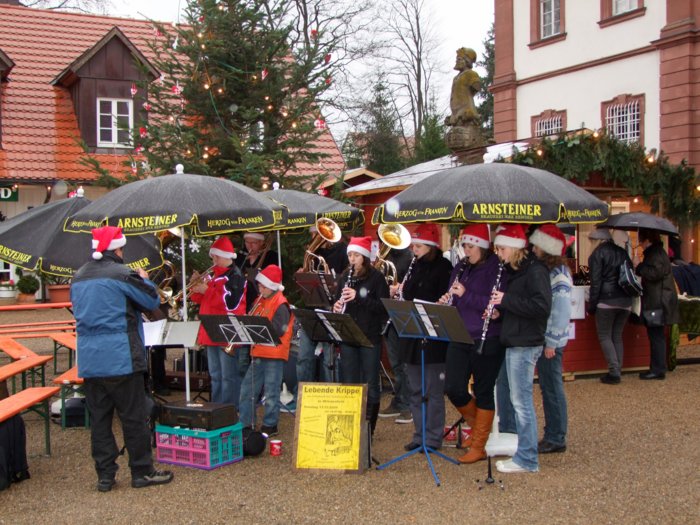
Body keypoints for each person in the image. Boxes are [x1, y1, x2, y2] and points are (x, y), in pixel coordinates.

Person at [71, 226, 173, 492]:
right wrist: (145, 279)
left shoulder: (78, 276)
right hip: (121, 356)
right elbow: (150, 301)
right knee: (133, 416)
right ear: (117, 248)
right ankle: (142, 472)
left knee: (100, 421)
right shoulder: (122, 273)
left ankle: (105, 476)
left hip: (91, 359)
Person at [439, 223, 506, 463]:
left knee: (483, 390)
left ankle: (478, 445)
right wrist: (447, 301)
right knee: (453, 387)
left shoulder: (496, 269)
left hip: (487, 336)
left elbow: (493, 306)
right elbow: (455, 297)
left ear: (483, 246)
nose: (466, 251)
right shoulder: (461, 267)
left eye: (471, 246)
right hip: (460, 333)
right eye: (464, 246)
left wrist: (464, 294)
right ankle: (479, 430)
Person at [489, 224, 551, 474]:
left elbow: (541, 307)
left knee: (521, 401)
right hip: (515, 339)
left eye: (502, 248)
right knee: (516, 398)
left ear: (515, 248)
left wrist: (506, 300)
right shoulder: (515, 270)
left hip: (525, 343)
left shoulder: (535, 271)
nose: (499, 254)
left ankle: (527, 458)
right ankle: (522, 451)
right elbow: (519, 307)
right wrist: (498, 312)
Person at [396, 224, 453, 452]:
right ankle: (419, 435)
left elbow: (444, 300)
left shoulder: (444, 267)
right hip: (412, 334)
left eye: (418, 246)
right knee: (415, 389)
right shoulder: (414, 266)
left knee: (432, 390)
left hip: (434, 335)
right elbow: (408, 293)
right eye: (413, 245)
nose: (414, 249)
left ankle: (432, 437)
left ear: (430, 246)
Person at [332, 236, 389, 438]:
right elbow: (337, 301)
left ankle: (368, 430)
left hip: (369, 336)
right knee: (350, 383)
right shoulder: (345, 276)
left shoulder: (376, 278)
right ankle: (351, 428)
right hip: (349, 335)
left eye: (356, 255)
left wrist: (359, 297)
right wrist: (336, 306)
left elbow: (384, 308)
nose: (352, 259)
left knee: (371, 383)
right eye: (350, 255)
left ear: (364, 256)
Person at [529, 224, 572, 454]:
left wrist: (552, 342)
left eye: (537, 244)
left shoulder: (558, 275)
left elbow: (562, 311)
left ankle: (556, 436)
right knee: (548, 386)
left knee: (552, 387)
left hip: (551, 342)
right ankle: (553, 433)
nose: (533, 248)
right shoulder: (549, 271)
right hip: (547, 339)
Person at [189, 236, 247, 406]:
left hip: (226, 331)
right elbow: (198, 299)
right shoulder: (213, 277)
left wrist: (207, 290)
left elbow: (230, 304)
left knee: (228, 376)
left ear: (224, 256)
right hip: (210, 331)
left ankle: (229, 410)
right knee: (215, 375)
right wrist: (196, 286)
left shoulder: (235, 277)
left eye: (215, 256)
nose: (213, 260)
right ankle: (217, 408)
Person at [238, 265, 294, 437]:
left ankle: (270, 424)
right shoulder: (260, 300)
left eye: (262, 285)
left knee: (271, 391)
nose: (259, 288)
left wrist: (255, 326)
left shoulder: (281, 304)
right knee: (248, 389)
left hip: (274, 354)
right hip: (258, 352)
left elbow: (278, 330)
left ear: (272, 286)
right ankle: (246, 423)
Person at [587, 227, 633, 384]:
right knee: (617, 336)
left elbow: (596, 283)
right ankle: (617, 369)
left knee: (605, 336)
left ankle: (614, 372)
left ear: (597, 241)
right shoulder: (622, 252)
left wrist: (592, 305)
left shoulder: (597, 254)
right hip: (626, 301)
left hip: (606, 301)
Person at [634, 228, 680, 380]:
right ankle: (657, 368)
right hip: (659, 299)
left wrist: (639, 266)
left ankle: (657, 369)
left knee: (656, 336)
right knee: (656, 335)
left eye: (641, 240)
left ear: (647, 240)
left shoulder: (655, 254)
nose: (640, 243)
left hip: (657, 301)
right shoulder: (658, 252)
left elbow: (654, 274)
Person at [379, 242, 414, 423]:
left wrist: (399, 288)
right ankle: (400, 399)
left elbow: (412, 284)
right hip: (388, 314)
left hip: (403, 314)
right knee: (395, 363)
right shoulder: (385, 256)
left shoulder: (409, 257)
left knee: (404, 362)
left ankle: (408, 404)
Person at [445, 47, 481, 126]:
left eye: (459, 59)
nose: (456, 61)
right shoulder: (455, 78)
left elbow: (476, 87)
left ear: (467, 61)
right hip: (455, 113)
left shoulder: (471, 74)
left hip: (466, 111)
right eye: (457, 59)